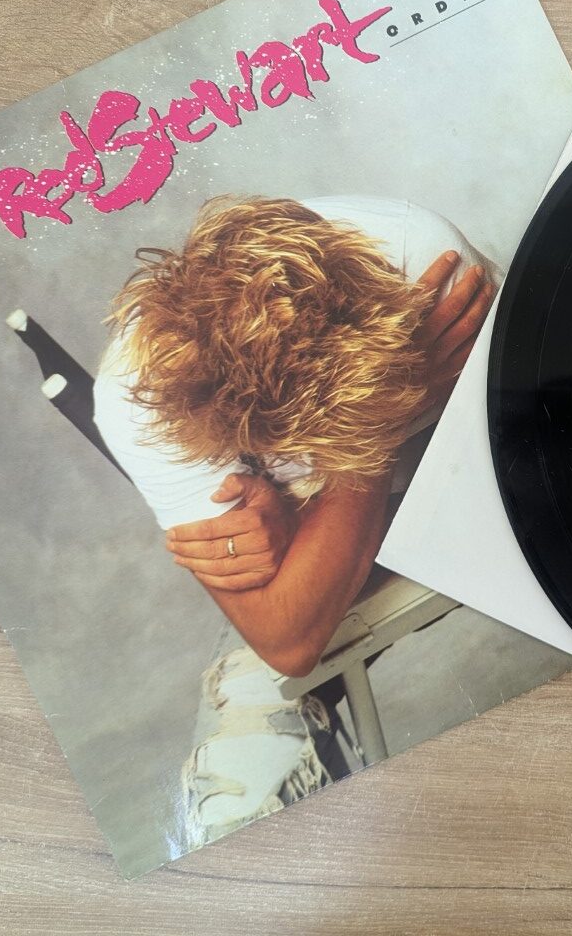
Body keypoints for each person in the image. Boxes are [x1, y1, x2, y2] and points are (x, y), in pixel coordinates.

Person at [92, 194, 496, 839]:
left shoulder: (413, 258)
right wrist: (375, 427)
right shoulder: (136, 400)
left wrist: (358, 434)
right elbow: (287, 639)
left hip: (485, 454)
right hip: (352, 529)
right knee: (236, 786)